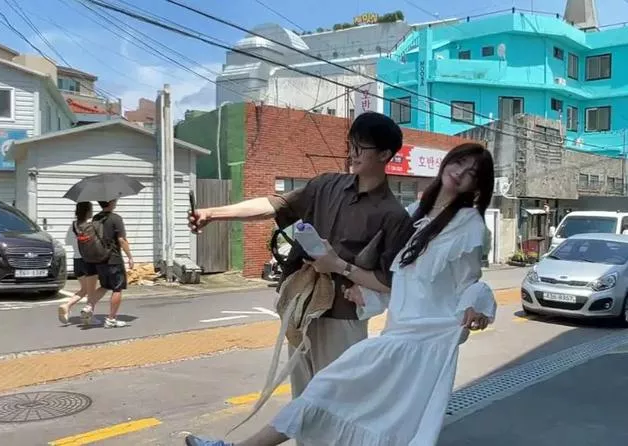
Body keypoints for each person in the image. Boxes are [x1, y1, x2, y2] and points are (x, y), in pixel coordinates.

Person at [185, 142, 497, 446]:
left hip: (422, 345)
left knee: (341, 402)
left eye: (471, 173)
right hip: (396, 336)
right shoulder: (414, 214)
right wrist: (369, 295)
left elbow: (471, 282)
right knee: (329, 399)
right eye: (459, 162)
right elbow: (402, 281)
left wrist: (478, 303)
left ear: (476, 187)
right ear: (447, 162)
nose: (460, 172)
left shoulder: (469, 225)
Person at [189, 112, 413, 416]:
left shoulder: (394, 215)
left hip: (343, 317)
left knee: (336, 406)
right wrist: (213, 214)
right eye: (351, 145)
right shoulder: (326, 185)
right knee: (303, 401)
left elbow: (389, 282)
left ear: (385, 154)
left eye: (361, 148)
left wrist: (338, 266)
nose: (352, 154)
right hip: (303, 307)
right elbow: (274, 205)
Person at [80, 199, 134, 328]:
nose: (116, 202)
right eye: (114, 200)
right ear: (111, 203)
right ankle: (111, 319)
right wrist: (130, 257)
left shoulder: (96, 218)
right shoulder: (116, 218)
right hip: (113, 258)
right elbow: (121, 240)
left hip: (100, 258)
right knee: (117, 288)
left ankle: (89, 306)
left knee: (104, 286)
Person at [58, 202, 98, 324]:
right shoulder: (90, 226)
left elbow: (67, 241)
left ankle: (67, 305)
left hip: (77, 260)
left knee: (84, 290)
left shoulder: (73, 226)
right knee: (91, 293)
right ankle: (89, 317)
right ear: (88, 212)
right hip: (88, 261)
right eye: (91, 210)